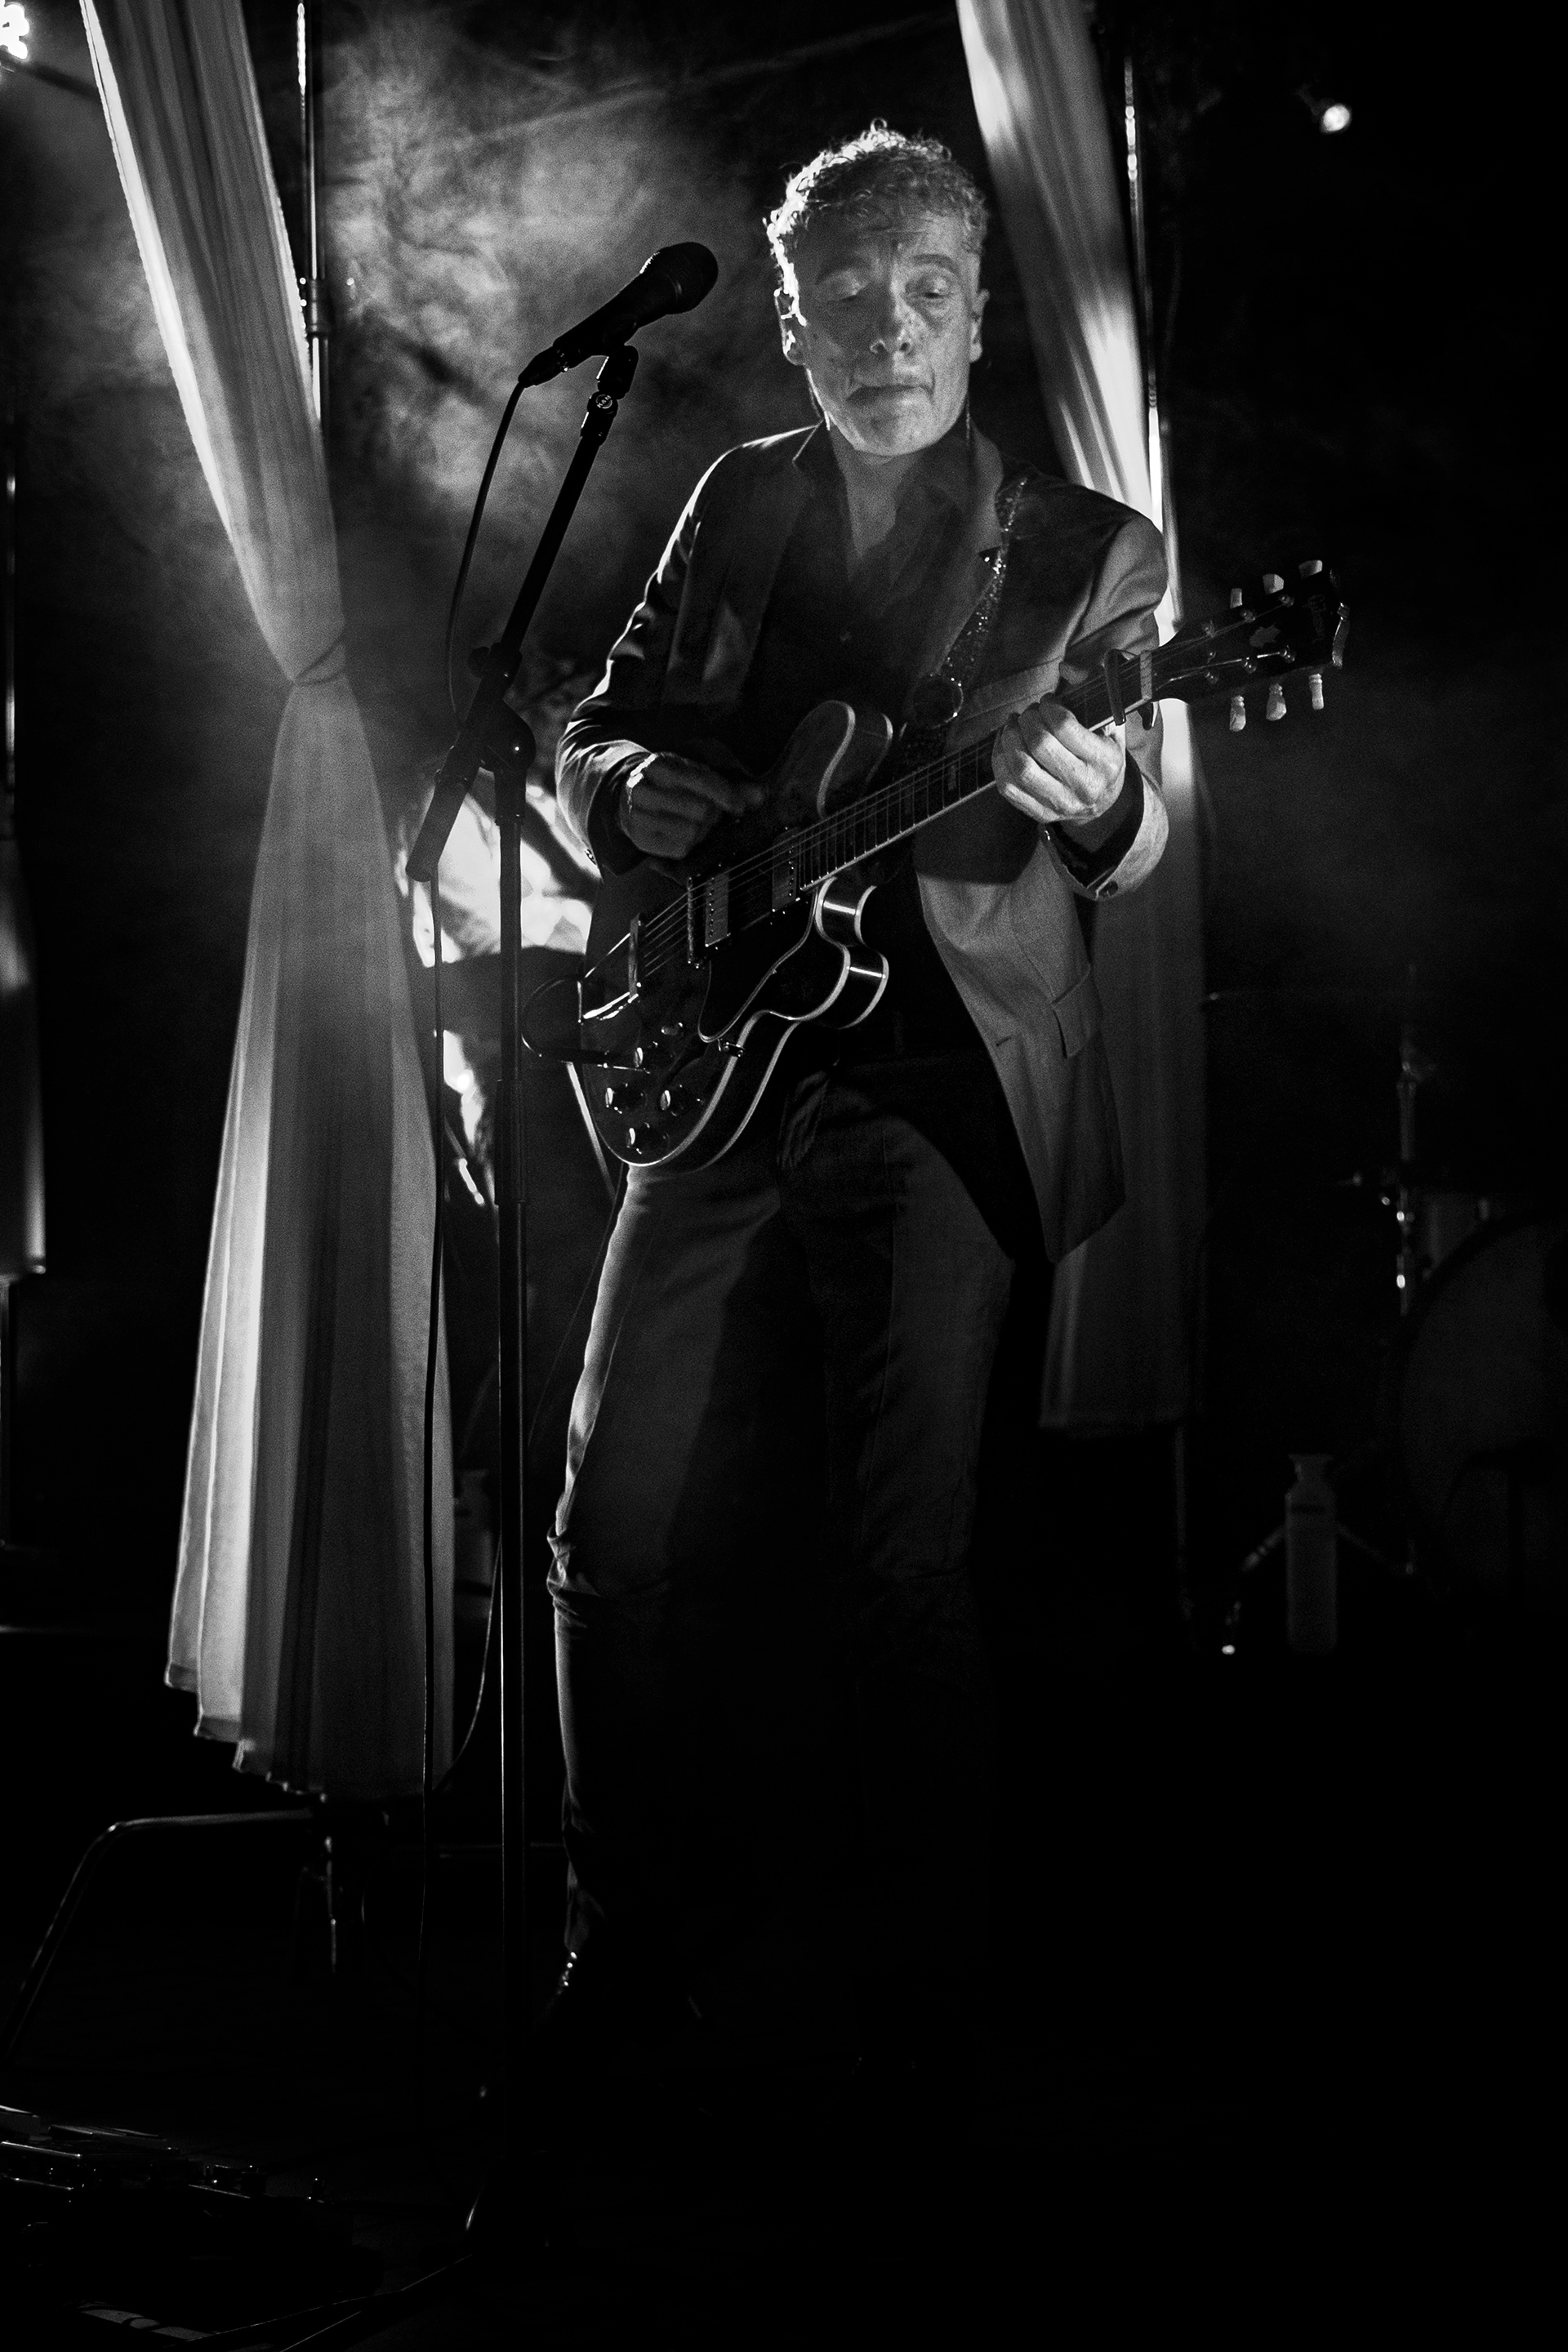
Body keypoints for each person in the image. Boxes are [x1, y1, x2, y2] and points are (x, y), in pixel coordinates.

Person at [545, 126, 1168, 2087]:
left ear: (974, 316)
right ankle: (616, 1949)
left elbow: (1138, 835)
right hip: (718, 1050)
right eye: (847, 299)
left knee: (904, 1554)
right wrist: (617, 789)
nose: (887, 328)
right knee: (607, 1523)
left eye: (925, 292)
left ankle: (929, 1994)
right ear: (795, 328)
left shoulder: (1085, 551)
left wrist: (1106, 807)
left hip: (934, 1073)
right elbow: (601, 720)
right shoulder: (734, 500)